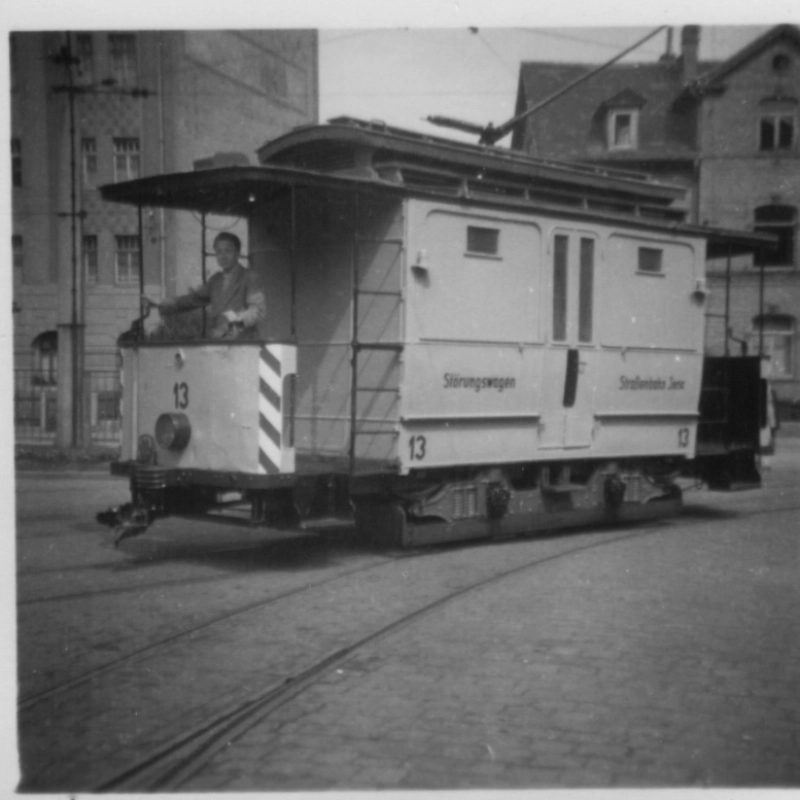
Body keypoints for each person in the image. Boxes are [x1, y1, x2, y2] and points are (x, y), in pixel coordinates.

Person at [145, 232, 266, 339]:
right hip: (220, 342)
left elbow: (258, 311)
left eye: (228, 251)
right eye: (219, 252)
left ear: (238, 253)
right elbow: (192, 300)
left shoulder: (250, 278)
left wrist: (236, 319)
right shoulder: (215, 281)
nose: (223, 256)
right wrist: (159, 303)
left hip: (245, 344)